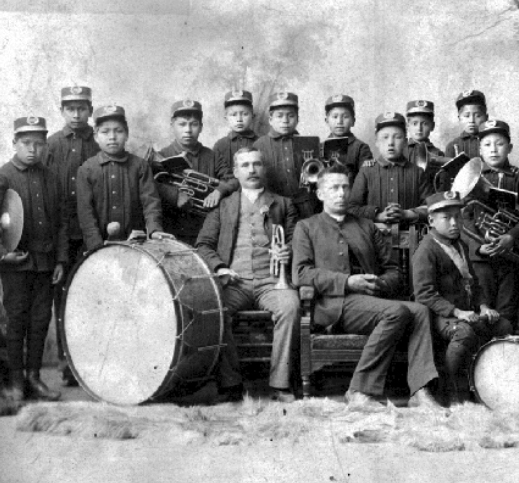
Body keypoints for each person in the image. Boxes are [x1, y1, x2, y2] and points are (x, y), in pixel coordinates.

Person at [292, 164, 441, 408]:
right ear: (320, 194)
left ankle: (420, 391)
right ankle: (360, 391)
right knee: (397, 311)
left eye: (344, 187)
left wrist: (378, 284)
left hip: (371, 300)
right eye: (333, 188)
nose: (341, 193)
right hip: (333, 304)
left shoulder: (365, 225)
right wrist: (347, 282)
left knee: (421, 311)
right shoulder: (306, 227)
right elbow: (300, 273)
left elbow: (394, 270)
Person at [196, 147, 300, 403]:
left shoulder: (284, 204)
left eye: (256, 164)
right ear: (235, 172)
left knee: (291, 307)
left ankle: (280, 383)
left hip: (273, 281)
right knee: (213, 311)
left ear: (264, 168)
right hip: (235, 282)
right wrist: (220, 267)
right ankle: (231, 383)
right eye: (245, 165)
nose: (251, 170)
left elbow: (300, 242)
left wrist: (289, 250)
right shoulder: (224, 206)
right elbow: (203, 245)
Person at [0, 117, 67, 401]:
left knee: (39, 320)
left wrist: (59, 260)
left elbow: (60, 223)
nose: (32, 149)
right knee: (16, 320)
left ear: (45, 145)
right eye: (26, 143)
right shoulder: (3, 177)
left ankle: (34, 378)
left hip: (44, 264)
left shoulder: (50, 177)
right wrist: (1, 254)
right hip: (15, 265)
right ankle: (15, 382)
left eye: (38, 143)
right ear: (14, 144)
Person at [413, 191, 511, 405]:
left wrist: (483, 306)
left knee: (502, 325)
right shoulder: (426, 250)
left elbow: (473, 282)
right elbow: (424, 294)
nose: (454, 223)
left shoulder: (460, 245)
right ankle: (451, 394)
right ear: (431, 220)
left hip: (465, 312)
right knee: (464, 333)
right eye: (446, 218)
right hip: (439, 316)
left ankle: (485, 387)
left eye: (457, 217)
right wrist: (458, 313)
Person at [462, 119, 519, 329]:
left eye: (499, 144)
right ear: (479, 149)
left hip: (510, 258)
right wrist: (477, 246)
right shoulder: (472, 177)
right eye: (487, 145)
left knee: (506, 314)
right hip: (480, 258)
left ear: (510, 148)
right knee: (481, 309)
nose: (494, 149)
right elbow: (463, 217)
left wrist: (511, 236)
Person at [46, 85, 100, 386]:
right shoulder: (51, 145)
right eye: (70, 108)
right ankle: (67, 363)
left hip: (93, 229)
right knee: (63, 297)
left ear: (90, 110)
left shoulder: (101, 141)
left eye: (82, 108)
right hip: (61, 233)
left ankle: (93, 362)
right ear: (62, 110)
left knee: (93, 295)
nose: (77, 114)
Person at [77, 105, 172, 251]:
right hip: (99, 245)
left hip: (136, 245)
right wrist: (95, 246)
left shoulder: (140, 166)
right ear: (96, 137)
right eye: (105, 132)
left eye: (119, 131)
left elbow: (150, 202)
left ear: (127, 134)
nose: (112, 137)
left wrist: (154, 229)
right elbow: (86, 213)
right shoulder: (87, 169)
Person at [154, 99, 238, 245]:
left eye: (193, 124)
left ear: (201, 127)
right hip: (171, 227)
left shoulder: (212, 156)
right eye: (182, 124)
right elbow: (149, 186)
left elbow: (233, 180)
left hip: (205, 228)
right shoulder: (162, 155)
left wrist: (219, 191)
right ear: (172, 126)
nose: (188, 129)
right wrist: (175, 195)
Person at [349, 112, 432, 225]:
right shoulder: (367, 171)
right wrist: (377, 215)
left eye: (397, 137)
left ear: (405, 142)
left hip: (411, 237)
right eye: (385, 137)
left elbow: (431, 207)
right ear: (376, 142)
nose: (390, 143)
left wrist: (406, 214)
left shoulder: (417, 172)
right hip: (373, 237)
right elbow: (351, 208)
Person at [254, 91, 318, 219]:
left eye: (291, 116)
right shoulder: (259, 145)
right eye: (279, 116)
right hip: (274, 206)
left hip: (306, 206)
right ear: (270, 120)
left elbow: (317, 176)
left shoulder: (308, 143)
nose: (285, 121)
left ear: (298, 119)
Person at [323, 94, 373, 185]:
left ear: (353, 121)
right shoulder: (320, 147)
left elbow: (366, 180)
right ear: (327, 121)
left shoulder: (361, 148)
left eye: (345, 117)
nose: (339, 121)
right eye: (335, 117)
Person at [404, 99, 446, 188]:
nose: (419, 128)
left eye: (425, 124)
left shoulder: (438, 153)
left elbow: (441, 183)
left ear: (432, 126)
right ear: (407, 126)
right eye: (414, 123)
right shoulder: (401, 150)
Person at [444, 90, 488, 159]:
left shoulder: (491, 143)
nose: (472, 120)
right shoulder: (453, 146)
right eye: (467, 116)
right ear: (459, 118)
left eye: (478, 116)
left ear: (486, 117)